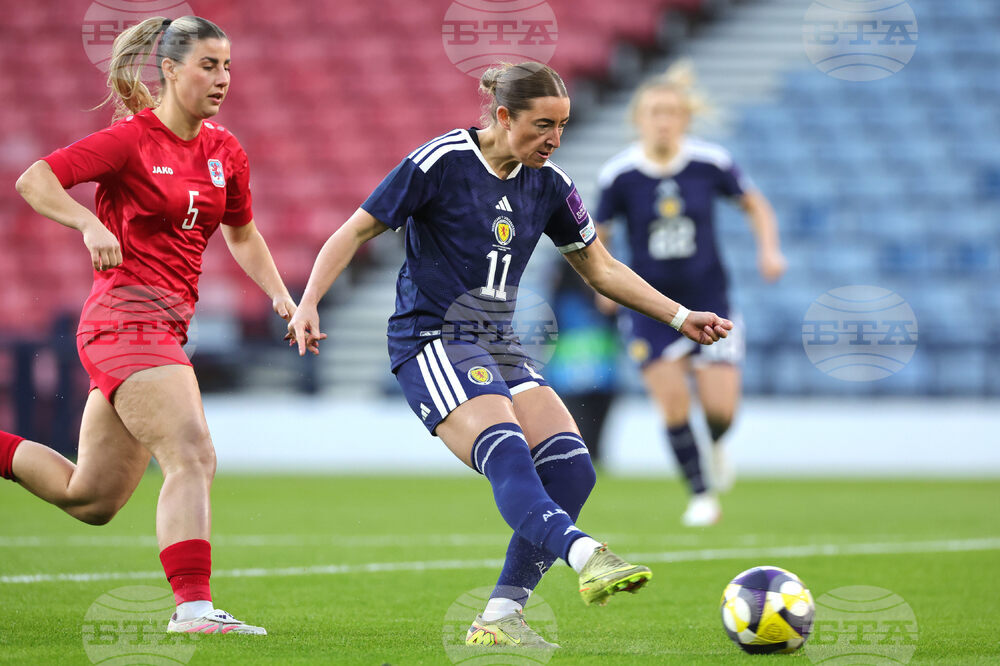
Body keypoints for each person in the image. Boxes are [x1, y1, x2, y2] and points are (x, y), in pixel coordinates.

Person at [287, 61, 732, 649]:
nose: (554, 137)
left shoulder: (549, 184)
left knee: (572, 468)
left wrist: (679, 315)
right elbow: (356, 230)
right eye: (543, 124)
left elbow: (600, 267)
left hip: (499, 343)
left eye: (563, 126)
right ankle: (586, 553)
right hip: (433, 338)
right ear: (503, 116)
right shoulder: (441, 161)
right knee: (510, 455)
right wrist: (309, 301)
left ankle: (498, 616)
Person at [3, 16, 295, 634]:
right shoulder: (130, 140)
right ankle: (192, 610)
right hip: (123, 322)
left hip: (165, 328)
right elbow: (35, 179)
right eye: (208, 66)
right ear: (168, 69)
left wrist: (280, 296)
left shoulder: (225, 151)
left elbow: (241, 233)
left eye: (228, 67)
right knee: (192, 452)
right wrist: (87, 224)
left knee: (92, 499)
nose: (222, 79)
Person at [594, 62, 786, 527]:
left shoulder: (710, 163)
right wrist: (600, 283)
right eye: (654, 111)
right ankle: (701, 496)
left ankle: (717, 443)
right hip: (651, 308)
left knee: (721, 412)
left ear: (685, 118)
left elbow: (754, 203)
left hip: (711, 298)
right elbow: (597, 230)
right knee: (672, 402)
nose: (663, 119)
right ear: (639, 118)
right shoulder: (619, 174)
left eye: (672, 111)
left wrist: (770, 250)